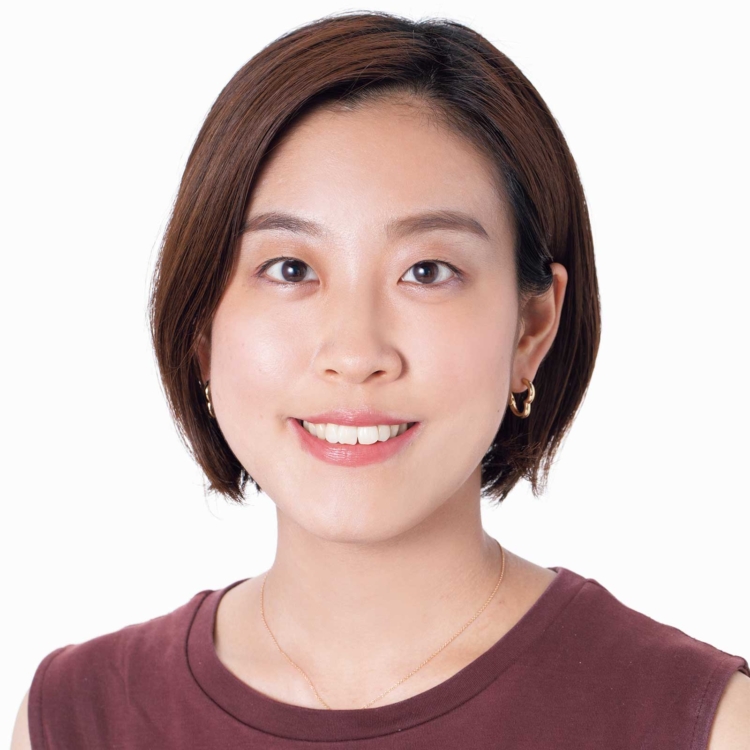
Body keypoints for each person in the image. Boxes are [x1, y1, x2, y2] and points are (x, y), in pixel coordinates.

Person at [12, 10, 749, 749]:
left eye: (427, 271)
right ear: (202, 327)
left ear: (531, 329)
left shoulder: (700, 724)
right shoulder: (75, 718)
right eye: (290, 269)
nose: (355, 352)